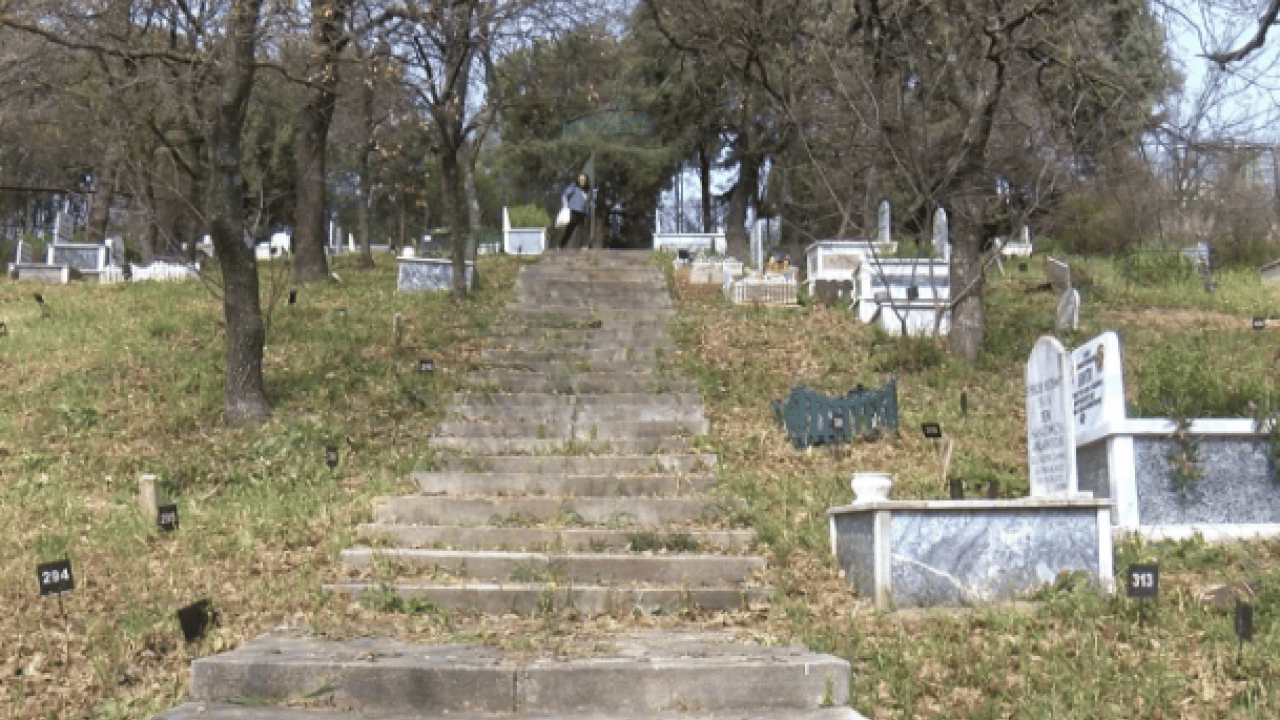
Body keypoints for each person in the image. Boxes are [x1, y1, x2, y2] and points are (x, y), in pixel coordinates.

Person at [558, 174, 590, 249]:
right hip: (574, 210)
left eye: (583, 179)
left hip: (584, 211)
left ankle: (584, 245)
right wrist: (566, 205)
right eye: (580, 179)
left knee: (584, 228)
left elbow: (590, 198)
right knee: (570, 228)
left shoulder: (588, 189)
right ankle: (561, 245)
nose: (582, 181)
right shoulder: (574, 186)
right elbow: (564, 195)